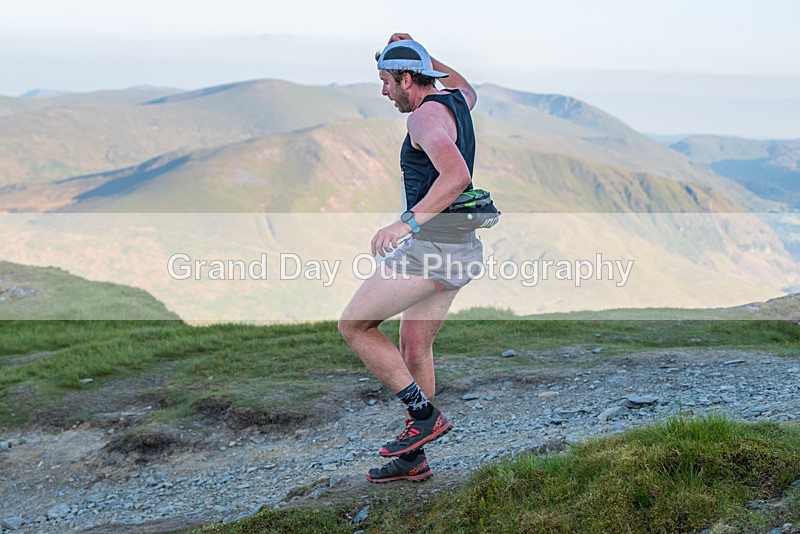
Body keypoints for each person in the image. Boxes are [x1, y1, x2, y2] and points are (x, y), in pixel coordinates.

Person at [338, 33, 483, 483]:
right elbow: (464, 85)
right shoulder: (457, 98)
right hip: (462, 248)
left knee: (355, 325)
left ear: (406, 79)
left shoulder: (421, 119)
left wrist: (406, 223)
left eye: (386, 81)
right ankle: (414, 460)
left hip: (432, 249)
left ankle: (424, 418)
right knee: (415, 346)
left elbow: (456, 175)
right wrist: (417, 47)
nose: (384, 92)